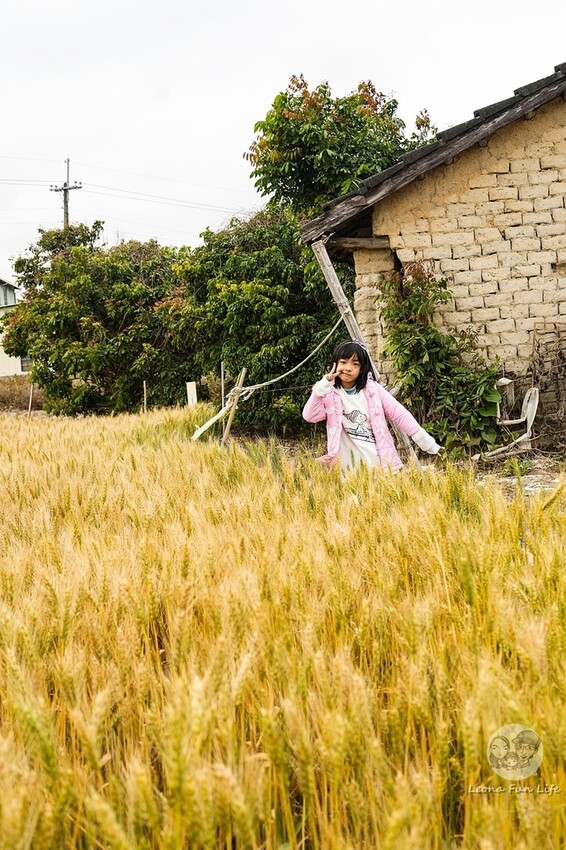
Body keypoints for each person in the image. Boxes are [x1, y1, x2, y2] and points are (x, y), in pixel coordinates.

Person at [302, 339, 441, 471]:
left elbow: (400, 415)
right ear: (334, 364)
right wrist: (322, 387)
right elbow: (309, 416)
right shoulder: (329, 394)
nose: (348, 368)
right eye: (343, 362)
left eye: (355, 364)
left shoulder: (374, 391)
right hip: (345, 466)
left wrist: (428, 444)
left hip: (376, 462)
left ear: (362, 369)